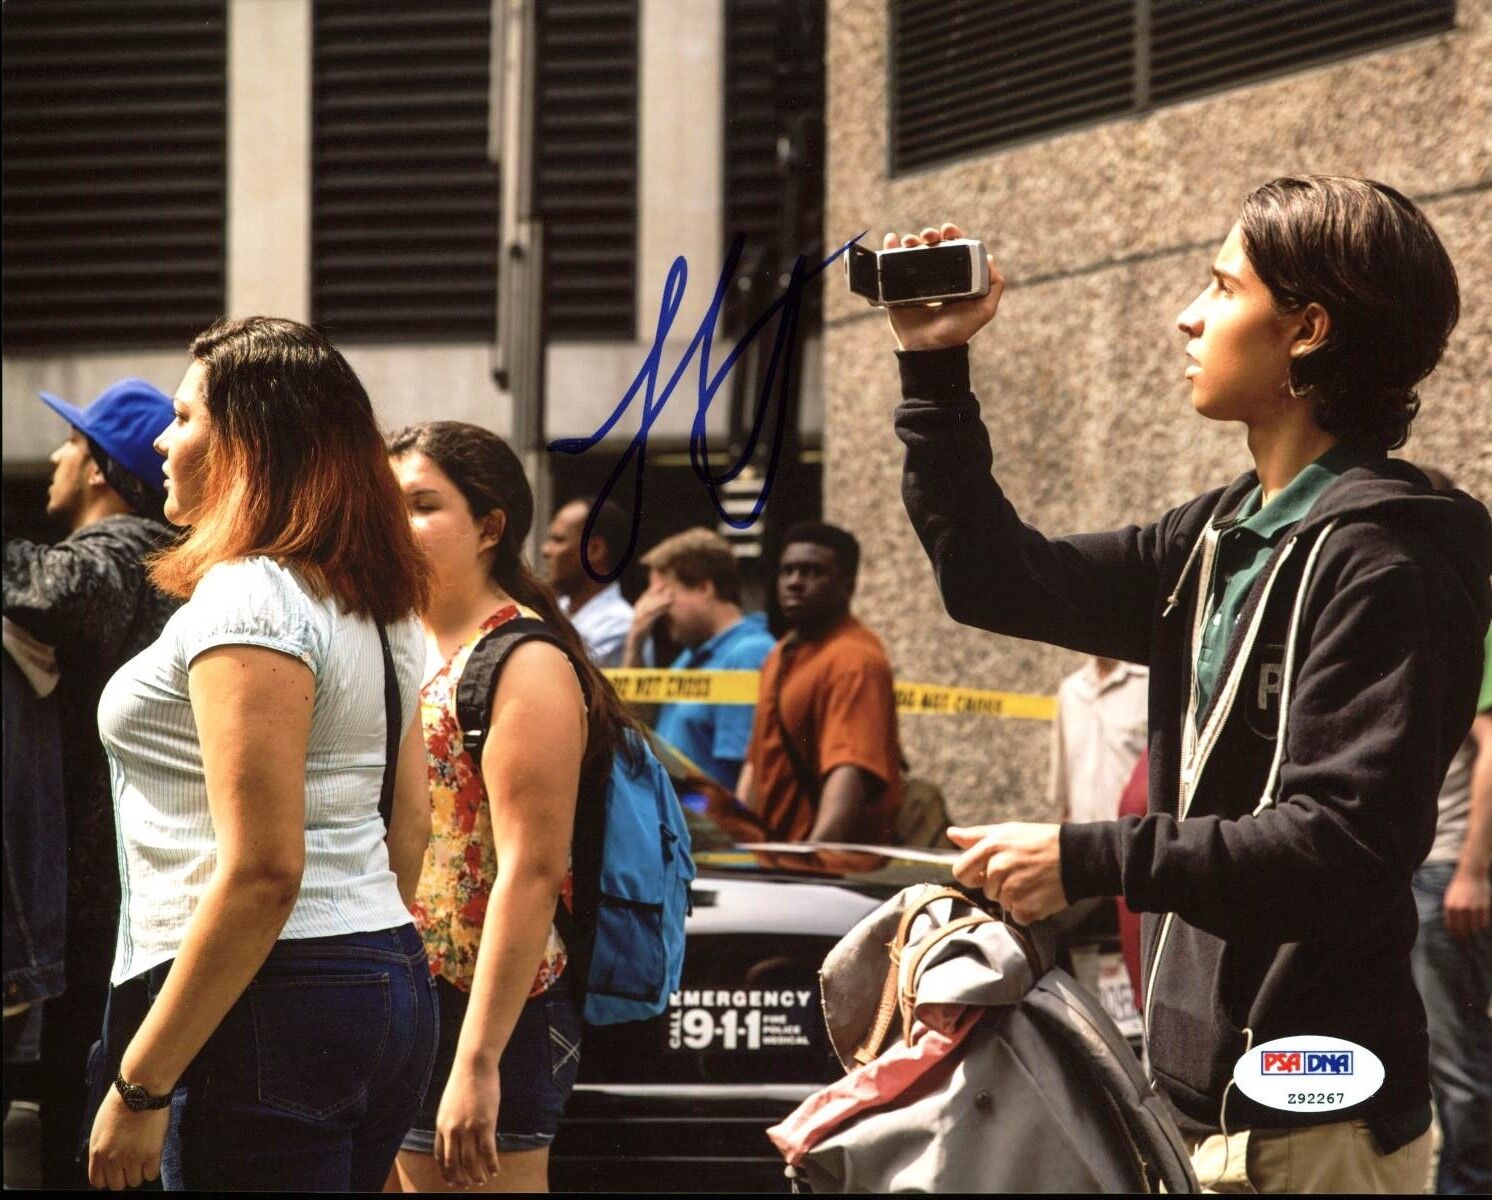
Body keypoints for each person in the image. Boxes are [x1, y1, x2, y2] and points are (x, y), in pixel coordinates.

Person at [888, 177, 1491, 1192]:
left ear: (1305, 328)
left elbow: (1345, 843)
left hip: (1311, 1117)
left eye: (1220, 285)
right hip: (1192, 1102)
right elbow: (992, 578)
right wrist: (932, 365)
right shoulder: (1212, 537)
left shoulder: (1388, 559)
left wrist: (1087, 857)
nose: (1186, 313)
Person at [84, 317, 437, 1191]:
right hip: (379, 975)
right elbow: (409, 825)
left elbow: (265, 870)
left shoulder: (250, 594)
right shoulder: (378, 599)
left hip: (260, 1001)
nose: (163, 442)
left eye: (183, 416)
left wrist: (140, 1082)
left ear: (244, 442)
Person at [387, 421, 643, 1193]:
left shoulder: (524, 661)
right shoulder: (407, 640)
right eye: (388, 504)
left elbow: (532, 870)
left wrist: (477, 1062)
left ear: (490, 527)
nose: (398, 525)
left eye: (422, 505)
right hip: (407, 1003)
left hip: (494, 1014)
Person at [2, 377, 180, 1189]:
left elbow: (50, 590)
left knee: (87, 1125)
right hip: (120, 886)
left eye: (72, 444)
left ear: (103, 469)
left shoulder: (123, 550)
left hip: (93, 890)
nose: (55, 457)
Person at [1411, 469, 1491, 1196]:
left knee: (1459, 1064)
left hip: (1444, 879)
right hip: (1419, 873)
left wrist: (1472, 871)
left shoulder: (1472, 621)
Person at [738, 522, 902, 843]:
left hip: (824, 870)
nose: (795, 582)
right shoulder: (780, 653)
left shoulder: (854, 659)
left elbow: (850, 771)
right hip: (776, 863)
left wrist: (814, 863)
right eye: (787, 572)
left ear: (847, 584)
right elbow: (756, 767)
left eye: (813, 572)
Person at [621, 527, 775, 790]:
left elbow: (743, 772)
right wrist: (636, 641)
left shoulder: (748, 654)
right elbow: (635, 725)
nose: (655, 609)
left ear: (704, 587)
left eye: (665, 595)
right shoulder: (689, 658)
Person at [1051, 656, 1148, 825]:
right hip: (1079, 836)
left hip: (1128, 838)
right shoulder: (1071, 690)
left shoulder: (1148, 685)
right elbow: (1066, 798)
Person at [540, 496, 633, 667]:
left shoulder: (620, 625)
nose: (545, 550)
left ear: (595, 550)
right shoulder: (554, 609)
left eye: (558, 540)